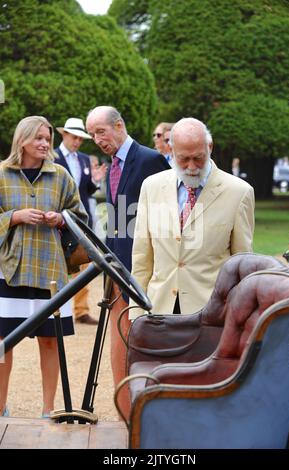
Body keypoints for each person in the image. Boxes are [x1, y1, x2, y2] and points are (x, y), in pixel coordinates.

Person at [0, 116, 88, 417]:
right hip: (9, 272)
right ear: (21, 139)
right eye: (38, 137)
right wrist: (14, 216)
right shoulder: (1, 173)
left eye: (47, 138)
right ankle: (0, 408)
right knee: (2, 345)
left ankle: (48, 410)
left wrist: (61, 218)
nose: (44, 143)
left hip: (51, 272)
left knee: (51, 343)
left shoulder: (61, 175)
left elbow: (81, 217)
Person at [86, 105, 170, 417]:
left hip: (146, 272)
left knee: (143, 339)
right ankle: (124, 411)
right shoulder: (111, 167)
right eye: (93, 134)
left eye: (101, 132)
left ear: (119, 125)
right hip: (116, 268)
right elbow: (117, 222)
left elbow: (167, 214)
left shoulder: (150, 159)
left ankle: (146, 410)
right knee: (119, 339)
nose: (96, 139)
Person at [130, 117, 255, 319]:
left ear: (210, 147)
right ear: (171, 150)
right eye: (183, 158)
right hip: (159, 310)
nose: (191, 166)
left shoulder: (239, 192)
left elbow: (241, 263)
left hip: (213, 314)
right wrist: (136, 314)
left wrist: (238, 317)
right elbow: (141, 258)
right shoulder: (151, 187)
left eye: (198, 158)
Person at [55, 118, 107, 325]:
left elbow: (86, 190)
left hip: (81, 220)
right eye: (74, 137)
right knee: (58, 265)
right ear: (64, 135)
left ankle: (81, 310)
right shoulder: (52, 157)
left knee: (83, 263)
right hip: (57, 219)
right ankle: (56, 310)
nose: (77, 141)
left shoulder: (85, 159)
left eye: (80, 138)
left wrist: (94, 181)